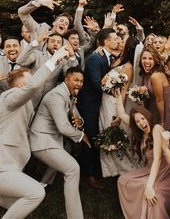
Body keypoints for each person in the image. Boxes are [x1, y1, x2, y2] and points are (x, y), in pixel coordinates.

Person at [0, 46, 69, 219]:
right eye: (30, 79)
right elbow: (34, 86)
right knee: (36, 193)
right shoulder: (10, 96)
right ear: (20, 85)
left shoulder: (21, 104)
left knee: (16, 205)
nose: (34, 81)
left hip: (8, 166)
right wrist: (54, 59)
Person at [30, 66, 91, 219]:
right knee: (73, 168)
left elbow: (76, 113)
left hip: (52, 140)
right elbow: (63, 127)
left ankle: (41, 187)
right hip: (41, 140)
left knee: (65, 152)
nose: (79, 84)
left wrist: (80, 120)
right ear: (66, 79)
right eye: (76, 80)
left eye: (81, 81)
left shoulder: (68, 93)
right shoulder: (57, 96)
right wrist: (81, 135)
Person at [117, 104, 170, 219]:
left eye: (143, 118)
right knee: (122, 180)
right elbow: (122, 114)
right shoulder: (140, 131)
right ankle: (137, 213)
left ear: (147, 117)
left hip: (166, 173)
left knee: (152, 194)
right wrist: (118, 94)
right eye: (137, 121)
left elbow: (157, 159)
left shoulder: (156, 128)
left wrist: (149, 186)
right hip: (150, 170)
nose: (141, 123)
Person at [77, 28, 118, 189]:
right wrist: (116, 88)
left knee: (94, 136)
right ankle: (88, 174)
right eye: (115, 38)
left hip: (97, 103)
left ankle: (92, 168)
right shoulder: (95, 59)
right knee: (90, 137)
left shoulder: (106, 57)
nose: (117, 40)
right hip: (89, 105)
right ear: (107, 42)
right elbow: (96, 83)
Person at [99, 36, 139, 177]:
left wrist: (118, 113)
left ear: (127, 47)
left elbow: (124, 91)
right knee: (104, 128)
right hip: (105, 99)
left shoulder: (128, 67)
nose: (119, 41)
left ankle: (125, 169)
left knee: (112, 130)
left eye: (122, 41)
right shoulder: (119, 58)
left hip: (113, 101)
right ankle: (110, 168)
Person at [16, 33, 77, 109]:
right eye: (52, 41)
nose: (55, 44)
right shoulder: (37, 54)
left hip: (46, 103)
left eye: (58, 42)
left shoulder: (63, 61)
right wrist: (36, 42)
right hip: (29, 99)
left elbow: (69, 76)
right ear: (47, 43)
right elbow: (20, 61)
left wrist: (72, 57)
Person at [139, 46, 170, 132]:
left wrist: (162, 121)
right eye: (144, 58)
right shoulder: (145, 74)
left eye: (150, 59)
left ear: (155, 60)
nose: (147, 61)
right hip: (155, 107)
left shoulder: (155, 76)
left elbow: (160, 100)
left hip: (166, 108)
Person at [0, 37, 21, 112]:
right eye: (8, 46)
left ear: (21, 48)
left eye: (15, 45)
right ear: (4, 50)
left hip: (20, 107)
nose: (12, 48)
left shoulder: (29, 63)